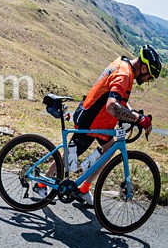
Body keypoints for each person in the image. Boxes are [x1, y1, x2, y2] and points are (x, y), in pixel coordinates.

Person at [36, 45, 161, 205]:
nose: (147, 81)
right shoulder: (124, 74)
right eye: (149, 77)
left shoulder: (123, 64)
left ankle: (84, 188)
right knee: (69, 156)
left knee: (108, 150)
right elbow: (111, 106)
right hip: (91, 121)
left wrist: (134, 113)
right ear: (143, 67)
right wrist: (137, 119)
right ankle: (41, 183)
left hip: (100, 121)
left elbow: (119, 99)